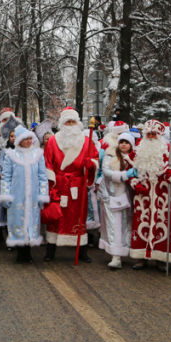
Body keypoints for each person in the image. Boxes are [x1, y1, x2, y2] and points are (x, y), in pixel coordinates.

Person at [43, 108, 100, 263]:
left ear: (77, 123)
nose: (70, 124)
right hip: (59, 184)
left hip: (77, 185)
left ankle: (82, 250)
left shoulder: (86, 141)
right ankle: (50, 250)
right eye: (67, 121)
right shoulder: (53, 141)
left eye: (72, 121)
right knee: (56, 217)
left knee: (78, 217)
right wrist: (51, 184)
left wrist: (91, 165)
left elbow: (94, 159)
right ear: (62, 123)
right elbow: (47, 163)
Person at [128, 120, 171, 271]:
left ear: (160, 135)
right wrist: (134, 183)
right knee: (142, 224)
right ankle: (142, 257)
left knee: (164, 225)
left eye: (154, 134)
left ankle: (161, 258)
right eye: (149, 134)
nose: (151, 137)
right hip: (143, 196)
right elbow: (128, 172)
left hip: (164, 196)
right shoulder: (138, 151)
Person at [0, 125, 49, 263]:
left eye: (30, 138)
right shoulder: (11, 155)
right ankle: (20, 252)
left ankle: (28, 252)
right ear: (19, 140)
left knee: (31, 224)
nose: (28, 141)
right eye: (25, 138)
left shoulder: (38, 155)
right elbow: (6, 177)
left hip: (32, 197)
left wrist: (42, 194)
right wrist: (6, 195)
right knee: (18, 223)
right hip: (17, 196)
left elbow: (43, 177)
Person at [97, 132, 136, 269]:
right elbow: (106, 172)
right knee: (113, 225)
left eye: (126, 142)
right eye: (121, 142)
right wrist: (125, 175)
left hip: (128, 196)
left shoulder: (135, 158)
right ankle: (115, 256)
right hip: (111, 195)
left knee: (125, 225)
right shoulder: (110, 155)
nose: (123, 144)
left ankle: (127, 250)